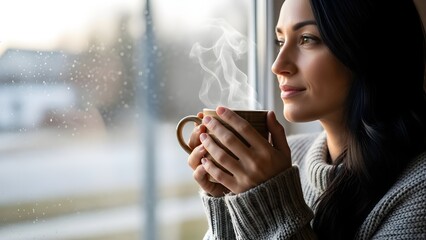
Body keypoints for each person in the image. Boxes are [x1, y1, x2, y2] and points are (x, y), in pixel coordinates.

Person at [185, 0, 426, 239]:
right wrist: (230, 202)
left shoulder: (418, 187)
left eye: (307, 39)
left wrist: (270, 202)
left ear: (369, 49)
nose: (278, 65)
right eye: (280, 41)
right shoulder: (290, 156)